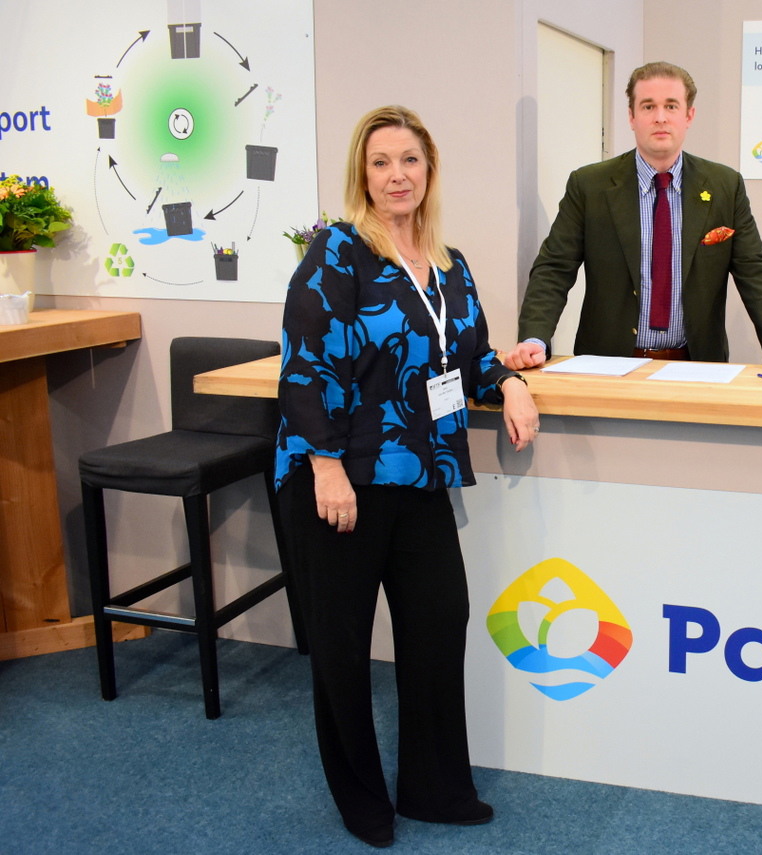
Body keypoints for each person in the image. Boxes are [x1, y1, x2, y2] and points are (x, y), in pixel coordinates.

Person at [276, 105, 539, 849]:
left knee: (438, 622)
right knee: (342, 646)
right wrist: (326, 466)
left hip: (420, 476)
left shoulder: (449, 263)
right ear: (363, 174)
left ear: (430, 170)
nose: (398, 175)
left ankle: (434, 788)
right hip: (343, 478)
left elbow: (472, 357)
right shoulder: (338, 252)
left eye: (410, 160)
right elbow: (304, 367)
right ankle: (362, 800)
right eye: (382, 162)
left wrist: (511, 384)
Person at [505, 61, 762, 374]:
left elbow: (755, 271)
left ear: (689, 116)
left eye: (671, 106)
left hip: (696, 364)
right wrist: (535, 338)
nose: (660, 117)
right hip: (607, 364)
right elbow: (554, 268)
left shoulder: (725, 186)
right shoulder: (590, 186)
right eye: (648, 106)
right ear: (631, 117)